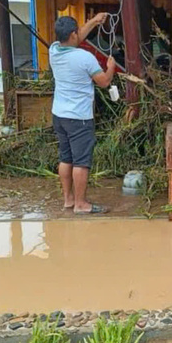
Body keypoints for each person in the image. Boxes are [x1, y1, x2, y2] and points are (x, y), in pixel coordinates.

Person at [49, 14, 117, 215]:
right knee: (81, 161)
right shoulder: (85, 57)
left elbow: (76, 39)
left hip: (59, 115)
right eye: (77, 32)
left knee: (66, 158)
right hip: (79, 117)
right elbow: (104, 82)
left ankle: (68, 200)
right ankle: (81, 204)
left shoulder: (54, 50)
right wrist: (111, 68)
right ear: (73, 34)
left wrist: (95, 21)